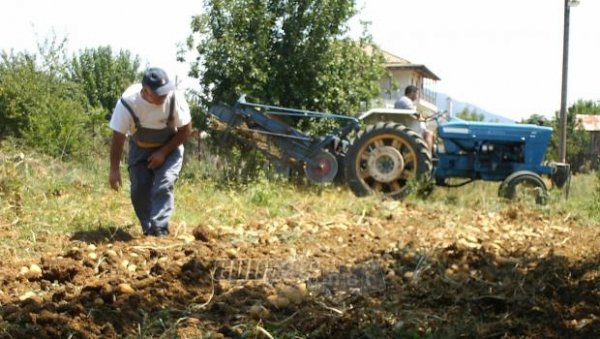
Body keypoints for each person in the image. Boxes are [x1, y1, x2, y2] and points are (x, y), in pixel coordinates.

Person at [108, 67, 192, 237]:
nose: (164, 96)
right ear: (145, 91)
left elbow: (186, 130)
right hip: (140, 148)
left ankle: (160, 229)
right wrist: (114, 169)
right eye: (159, 93)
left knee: (164, 183)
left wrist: (163, 153)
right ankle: (149, 229)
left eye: (166, 91)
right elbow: (118, 138)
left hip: (170, 147)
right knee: (139, 189)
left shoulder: (174, 99)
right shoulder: (127, 103)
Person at [394, 85, 435, 153]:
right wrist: (425, 118)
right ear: (412, 93)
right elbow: (415, 114)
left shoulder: (402, 100)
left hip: (407, 126)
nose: (417, 96)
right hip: (409, 128)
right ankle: (429, 156)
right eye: (417, 94)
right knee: (429, 133)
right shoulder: (405, 101)